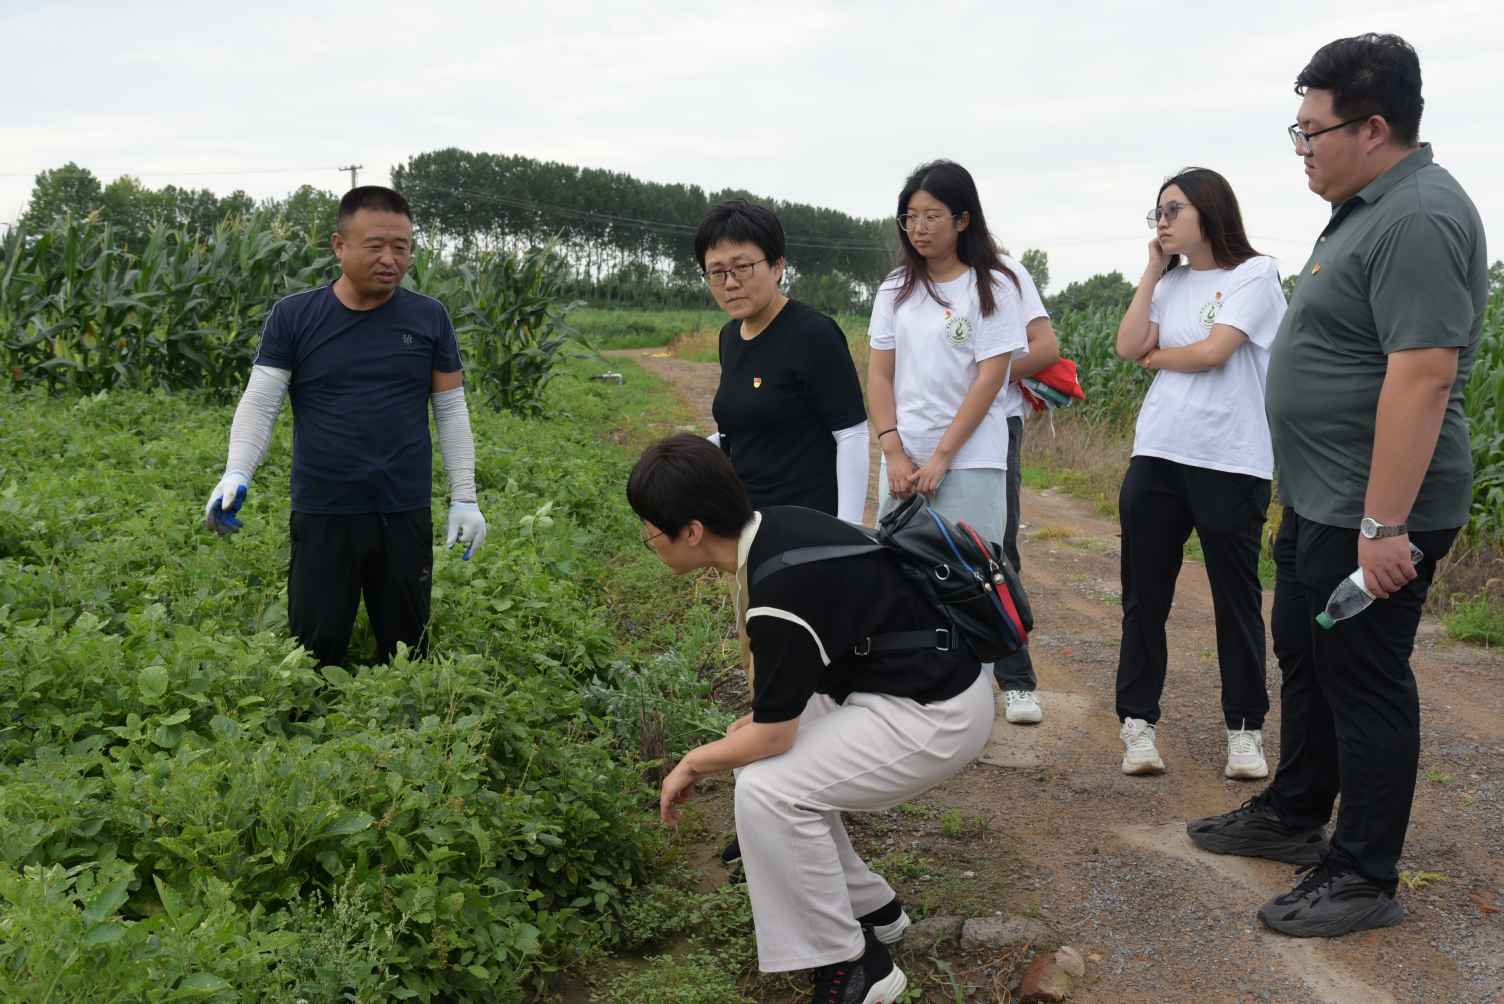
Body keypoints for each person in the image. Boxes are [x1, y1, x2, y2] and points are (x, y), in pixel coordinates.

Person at [1187, 33, 1488, 939]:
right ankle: (1292, 812)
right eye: (1299, 128)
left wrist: (1385, 523)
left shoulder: (1420, 216)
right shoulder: (1365, 208)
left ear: (1376, 126)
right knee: (1306, 656)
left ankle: (1362, 873)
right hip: (1323, 500)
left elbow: (1424, 374)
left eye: (1313, 130)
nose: (1303, 147)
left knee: (1364, 678)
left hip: (1377, 512)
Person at [632, 433, 994, 1004]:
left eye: (650, 529)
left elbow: (774, 734)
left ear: (692, 531)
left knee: (768, 789)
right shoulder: (774, 527)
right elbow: (783, 703)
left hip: (935, 712)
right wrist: (746, 735)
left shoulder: (776, 589)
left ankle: (854, 965)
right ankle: (873, 909)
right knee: (761, 766)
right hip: (901, 684)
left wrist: (691, 763)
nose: (648, 541)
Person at [202, 186, 486, 667]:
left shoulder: (429, 317)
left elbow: (451, 409)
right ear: (339, 245)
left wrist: (465, 496)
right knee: (314, 653)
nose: (390, 259)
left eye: (402, 247)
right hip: (323, 509)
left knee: (406, 653)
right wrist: (236, 472)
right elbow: (262, 402)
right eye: (375, 246)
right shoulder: (294, 317)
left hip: (403, 508)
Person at [1111, 168, 1287, 779]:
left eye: (1173, 209)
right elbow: (1127, 345)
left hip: (1231, 458)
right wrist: (1152, 271)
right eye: (1156, 212)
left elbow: (1216, 350)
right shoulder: (1170, 280)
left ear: (1208, 210)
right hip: (1158, 453)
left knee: (1235, 600)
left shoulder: (1255, 274)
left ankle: (1245, 730)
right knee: (1144, 597)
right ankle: (1137, 725)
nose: (1161, 221)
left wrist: (1159, 357)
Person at [867, 160, 1029, 717]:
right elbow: (881, 374)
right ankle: (909, 703)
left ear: (962, 219)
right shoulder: (894, 289)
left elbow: (990, 378)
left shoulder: (994, 286)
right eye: (909, 217)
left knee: (973, 579)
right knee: (897, 578)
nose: (918, 228)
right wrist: (893, 450)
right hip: (903, 463)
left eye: (932, 215)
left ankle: (970, 709)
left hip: (973, 460)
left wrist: (941, 457)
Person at [701, 200, 869, 524]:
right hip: (750, 523)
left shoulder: (813, 333)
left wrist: (847, 531)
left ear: (777, 266)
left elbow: (851, 434)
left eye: (742, 267)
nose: (730, 282)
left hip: (806, 526)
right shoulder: (729, 337)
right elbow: (736, 435)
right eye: (717, 272)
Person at [994, 264, 1059, 724]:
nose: (922, 227)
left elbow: (1045, 347)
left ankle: (1016, 683)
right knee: (918, 548)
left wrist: (988, 374)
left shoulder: (1006, 274)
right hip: (928, 427)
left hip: (997, 423)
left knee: (996, 550)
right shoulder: (911, 280)